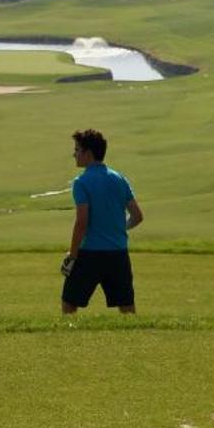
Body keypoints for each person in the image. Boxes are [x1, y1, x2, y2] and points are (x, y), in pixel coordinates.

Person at [60, 127, 143, 315]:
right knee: (127, 307)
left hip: (89, 253)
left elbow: (82, 222)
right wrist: (120, 228)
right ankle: (132, 339)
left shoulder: (81, 182)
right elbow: (137, 216)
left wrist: (72, 256)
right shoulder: (119, 179)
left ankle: (68, 338)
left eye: (77, 150)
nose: (74, 154)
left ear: (88, 153)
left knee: (69, 303)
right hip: (118, 253)